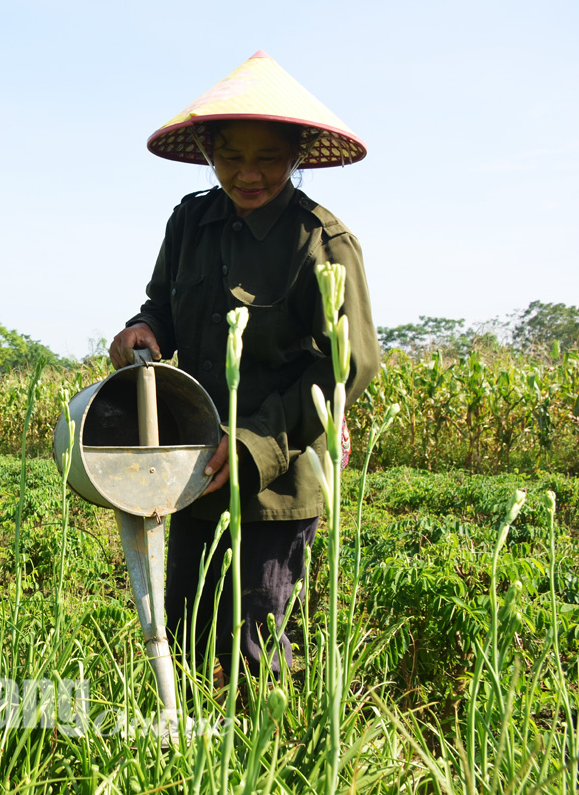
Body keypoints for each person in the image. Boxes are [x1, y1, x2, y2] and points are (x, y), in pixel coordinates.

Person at [108, 51, 381, 682]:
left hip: (274, 485)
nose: (247, 173)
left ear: (298, 155)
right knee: (187, 628)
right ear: (208, 150)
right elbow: (163, 308)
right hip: (195, 471)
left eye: (267, 157)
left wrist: (257, 441)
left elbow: (350, 367)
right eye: (231, 155)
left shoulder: (322, 241)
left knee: (257, 648)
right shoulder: (190, 222)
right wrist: (142, 330)